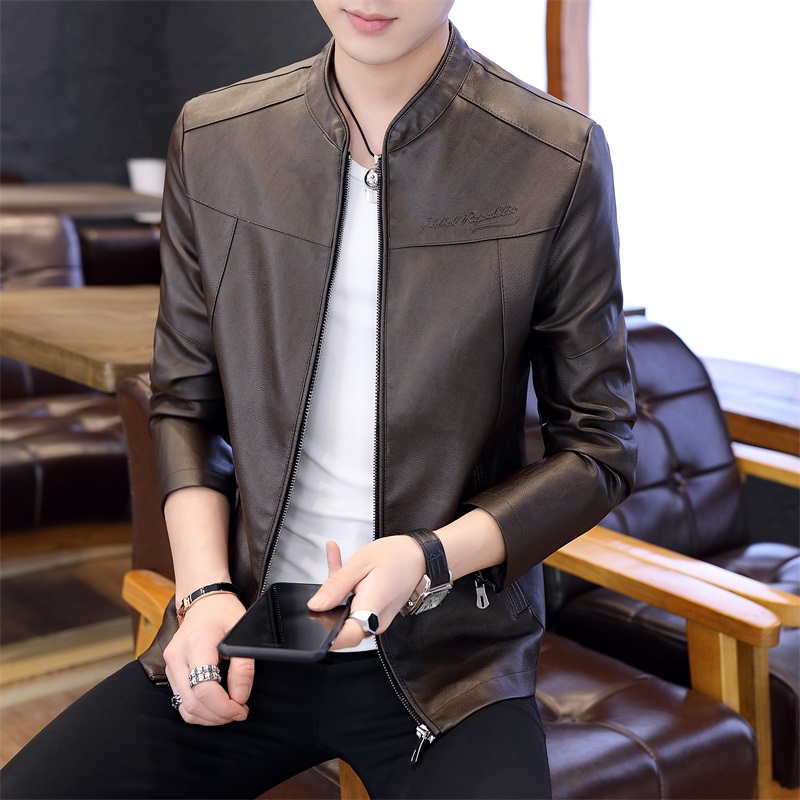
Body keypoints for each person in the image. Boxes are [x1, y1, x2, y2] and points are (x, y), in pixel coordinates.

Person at [2, 1, 636, 797]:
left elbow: (600, 448)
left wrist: (428, 556)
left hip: (450, 664)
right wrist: (203, 594)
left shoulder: (554, 155)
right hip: (247, 629)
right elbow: (186, 402)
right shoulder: (215, 138)